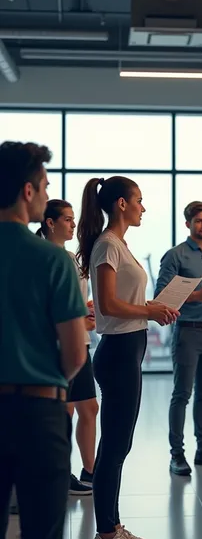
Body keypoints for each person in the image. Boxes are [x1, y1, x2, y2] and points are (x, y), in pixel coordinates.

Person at [0, 141, 87, 539]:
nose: (48, 194)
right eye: (46, 186)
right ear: (28, 190)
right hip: (39, 415)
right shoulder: (52, 261)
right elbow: (75, 355)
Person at [77, 176, 179, 539]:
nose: (143, 206)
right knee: (115, 445)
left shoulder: (119, 245)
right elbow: (107, 305)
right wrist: (149, 310)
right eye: (138, 200)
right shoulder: (107, 245)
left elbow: (125, 300)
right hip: (118, 351)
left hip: (128, 347)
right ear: (121, 204)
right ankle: (105, 536)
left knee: (119, 444)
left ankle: (112, 526)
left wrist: (155, 305)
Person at [155, 201, 202, 477]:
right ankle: (177, 454)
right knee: (182, 394)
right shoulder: (174, 256)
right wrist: (196, 296)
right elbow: (161, 296)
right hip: (186, 331)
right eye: (199, 221)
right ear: (188, 223)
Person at [36, 199, 99, 496]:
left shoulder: (72, 258)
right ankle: (60, 474)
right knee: (66, 412)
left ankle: (90, 472)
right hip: (59, 345)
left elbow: (75, 299)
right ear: (50, 223)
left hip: (81, 343)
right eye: (68, 219)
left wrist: (86, 310)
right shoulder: (41, 257)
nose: (73, 224)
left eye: (74, 219)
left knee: (90, 407)